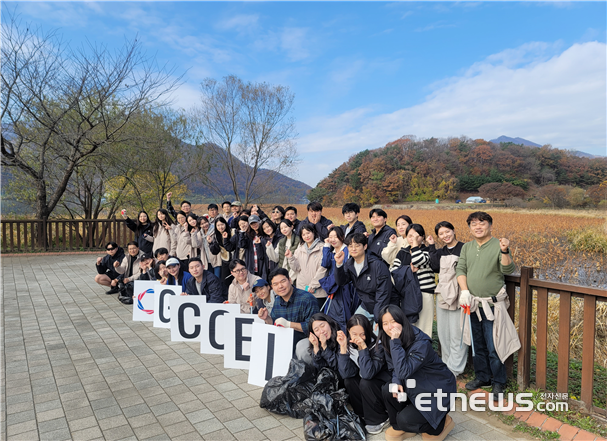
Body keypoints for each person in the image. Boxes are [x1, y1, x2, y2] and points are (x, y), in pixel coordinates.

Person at [456, 212, 515, 397]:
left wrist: (505, 250)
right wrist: (464, 291)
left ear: (490, 225)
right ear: (469, 228)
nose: (478, 227)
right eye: (473, 224)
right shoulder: (467, 247)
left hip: (491, 305)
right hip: (472, 303)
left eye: (482, 223)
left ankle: (499, 382)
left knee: (494, 344)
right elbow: (461, 269)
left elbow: (508, 269)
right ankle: (483, 377)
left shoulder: (498, 245)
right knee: (477, 344)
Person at [379, 305, 456, 441]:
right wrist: (396, 382)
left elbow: (403, 371)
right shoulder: (390, 339)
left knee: (406, 420)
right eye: (385, 323)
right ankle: (400, 427)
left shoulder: (420, 343)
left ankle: (442, 421)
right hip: (417, 385)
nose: (390, 327)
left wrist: (395, 343)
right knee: (388, 389)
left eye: (393, 321)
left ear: (402, 320)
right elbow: (394, 368)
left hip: (436, 389)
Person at [337, 314, 391, 435]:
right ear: (348, 332)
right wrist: (343, 349)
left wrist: (363, 348)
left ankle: (380, 418)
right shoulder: (348, 344)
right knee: (349, 381)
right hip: (366, 383)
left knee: (366, 382)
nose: (358, 338)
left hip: (382, 385)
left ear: (368, 331)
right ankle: (362, 414)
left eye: (362, 334)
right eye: (354, 334)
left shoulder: (378, 345)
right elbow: (346, 373)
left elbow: (367, 373)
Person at [428, 221, 467, 377]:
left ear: (453, 230)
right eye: (441, 234)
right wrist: (431, 247)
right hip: (443, 295)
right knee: (444, 332)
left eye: (447, 232)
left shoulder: (465, 248)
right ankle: (446, 365)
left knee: (458, 332)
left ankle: (456, 368)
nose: (445, 236)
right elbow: (434, 266)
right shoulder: (440, 252)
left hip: (460, 295)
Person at [258, 268, 319, 363]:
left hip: (308, 340)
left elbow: (315, 327)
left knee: (302, 348)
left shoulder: (307, 298)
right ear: (272, 287)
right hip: (286, 341)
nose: (280, 286)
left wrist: (289, 324)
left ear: (290, 280)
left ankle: (311, 374)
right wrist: (267, 319)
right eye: (275, 284)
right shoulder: (277, 301)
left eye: (283, 281)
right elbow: (276, 324)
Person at [335, 233, 397, 322]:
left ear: (365, 246)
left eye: (357, 245)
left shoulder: (378, 265)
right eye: (350, 246)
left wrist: (378, 318)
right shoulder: (349, 263)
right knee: (355, 326)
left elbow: (383, 295)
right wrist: (339, 264)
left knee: (377, 333)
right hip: (367, 305)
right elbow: (341, 282)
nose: (353, 249)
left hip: (386, 307)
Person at [391, 224, 436, 338]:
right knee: (409, 325)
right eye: (410, 236)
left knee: (424, 326)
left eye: (417, 236)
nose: (413, 239)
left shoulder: (427, 251)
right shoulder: (402, 253)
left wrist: (415, 245)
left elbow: (417, 260)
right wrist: (408, 269)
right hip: (407, 293)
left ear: (423, 237)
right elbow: (393, 271)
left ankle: (425, 352)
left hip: (424, 292)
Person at [320, 227, 359, 331]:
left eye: (335, 237)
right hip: (333, 288)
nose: (333, 239)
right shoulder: (331, 251)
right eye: (330, 237)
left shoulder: (347, 251)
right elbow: (325, 263)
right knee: (331, 316)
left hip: (344, 288)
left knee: (343, 316)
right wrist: (327, 245)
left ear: (342, 237)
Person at [287, 223, 327, 310]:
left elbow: (323, 269)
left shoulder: (322, 248)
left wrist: (313, 285)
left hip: (318, 292)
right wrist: (291, 258)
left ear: (313, 232)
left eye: (308, 233)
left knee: (317, 317)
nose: (306, 236)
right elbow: (296, 268)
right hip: (302, 290)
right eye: (303, 234)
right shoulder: (299, 249)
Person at [209, 217, 233, 294]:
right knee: (225, 281)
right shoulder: (216, 236)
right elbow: (215, 251)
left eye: (222, 224)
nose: (220, 227)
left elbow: (230, 248)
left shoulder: (232, 232)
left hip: (234, 260)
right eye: (218, 225)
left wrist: (226, 239)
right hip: (225, 261)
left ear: (225, 224)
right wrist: (211, 243)